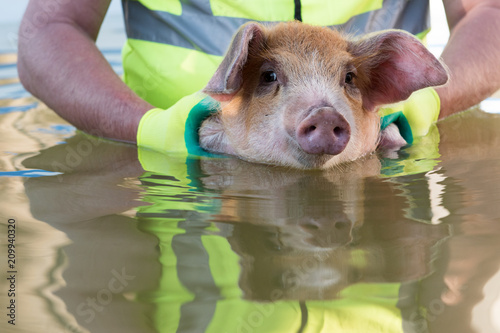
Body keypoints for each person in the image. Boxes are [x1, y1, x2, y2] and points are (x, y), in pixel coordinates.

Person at [17, 0, 500, 147]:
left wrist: (425, 104)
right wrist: (148, 131)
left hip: (383, 149)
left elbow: (489, 14)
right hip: (162, 167)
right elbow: (48, 30)